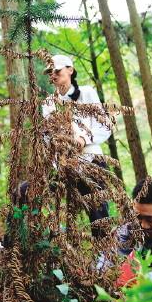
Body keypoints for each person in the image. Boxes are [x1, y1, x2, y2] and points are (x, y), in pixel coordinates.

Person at [41, 54, 112, 237]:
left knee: (97, 209)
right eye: (50, 72)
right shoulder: (48, 103)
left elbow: (104, 125)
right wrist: (60, 148)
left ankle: (103, 256)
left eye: (57, 71)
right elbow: (47, 136)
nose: (53, 75)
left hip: (91, 159)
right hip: (62, 164)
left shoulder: (87, 92)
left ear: (70, 70)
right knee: (34, 196)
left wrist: (83, 139)